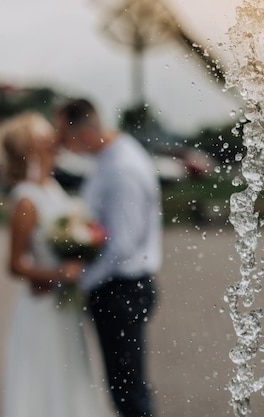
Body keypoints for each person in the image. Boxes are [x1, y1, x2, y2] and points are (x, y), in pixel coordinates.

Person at [55, 98, 163, 417]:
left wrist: (82, 279)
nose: (61, 144)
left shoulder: (122, 169)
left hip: (122, 291)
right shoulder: (109, 158)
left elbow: (121, 245)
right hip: (117, 288)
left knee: (128, 391)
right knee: (123, 385)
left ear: (85, 134)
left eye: (64, 135)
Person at [0, 112, 104, 417]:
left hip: (64, 304)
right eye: (44, 132)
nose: (53, 136)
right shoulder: (26, 199)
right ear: (29, 146)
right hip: (42, 306)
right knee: (43, 380)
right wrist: (57, 273)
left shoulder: (53, 189)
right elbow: (14, 264)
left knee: (68, 375)